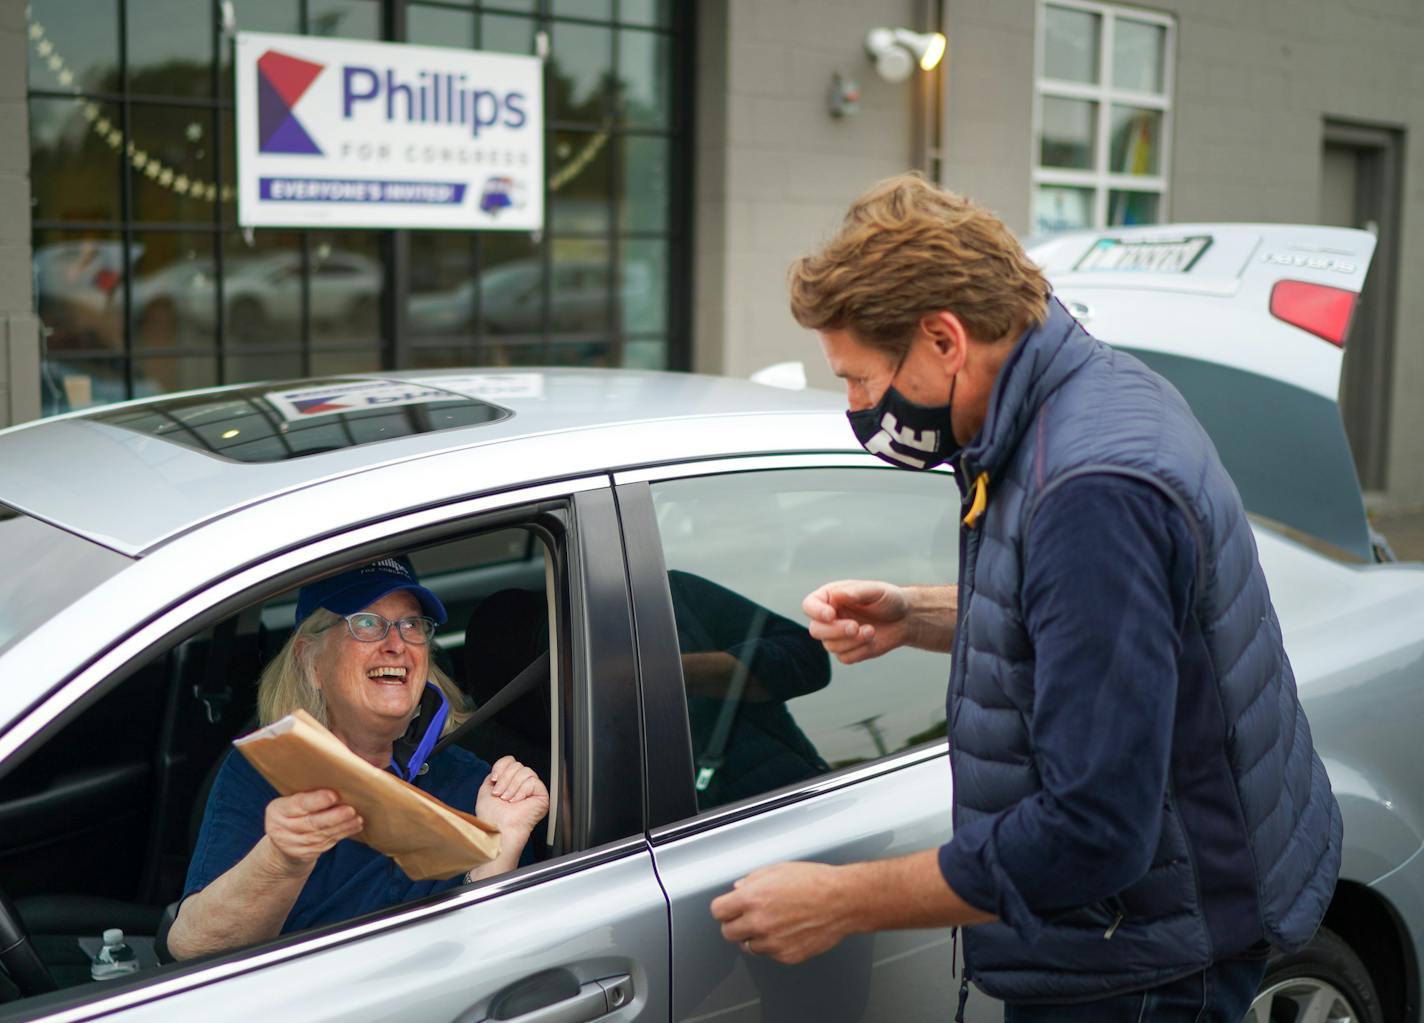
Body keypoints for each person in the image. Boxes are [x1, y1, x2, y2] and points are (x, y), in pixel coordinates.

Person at [709, 174, 1342, 1021]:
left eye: (860, 379)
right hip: (1149, 925)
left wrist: (841, 901)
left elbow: (1094, 832)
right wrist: (919, 614)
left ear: (943, 338)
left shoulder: (1090, 488)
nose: (859, 408)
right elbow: (1089, 621)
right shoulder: (1085, 393)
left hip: (1140, 965)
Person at [168, 556, 548, 960]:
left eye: (411, 625)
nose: (396, 644)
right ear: (309, 660)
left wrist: (498, 854)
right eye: (366, 622)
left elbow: (493, 963)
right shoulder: (264, 771)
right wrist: (283, 858)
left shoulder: (480, 788)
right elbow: (193, 948)